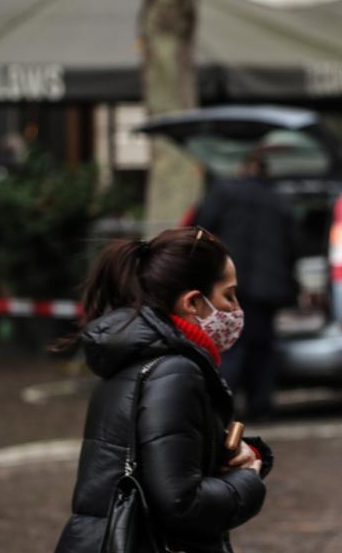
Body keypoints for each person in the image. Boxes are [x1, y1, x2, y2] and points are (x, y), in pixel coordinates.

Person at [54, 227, 273, 553]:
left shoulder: (136, 358)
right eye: (228, 295)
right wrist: (247, 480)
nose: (236, 309)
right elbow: (181, 504)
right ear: (193, 303)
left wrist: (241, 456)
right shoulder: (176, 372)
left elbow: (163, 466)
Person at [196, 150, 297, 421]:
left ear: (243, 167)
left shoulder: (225, 192)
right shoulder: (279, 199)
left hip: (231, 284)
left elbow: (203, 230)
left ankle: (224, 406)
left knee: (230, 346)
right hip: (269, 288)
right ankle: (260, 405)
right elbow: (293, 245)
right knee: (263, 349)